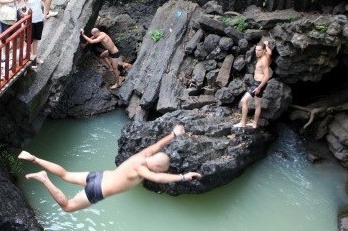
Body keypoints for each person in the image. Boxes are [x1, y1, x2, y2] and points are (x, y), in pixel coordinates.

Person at [19, 125, 201, 212]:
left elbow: (158, 145)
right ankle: (43, 178)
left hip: (98, 176)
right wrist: (183, 177)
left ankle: (35, 159)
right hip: (98, 189)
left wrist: (174, 134)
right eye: (161, 170)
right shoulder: (141, 169)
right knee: (67, 206)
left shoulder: (143, 155)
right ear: (158, 169)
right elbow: (159, 179)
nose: (160, 173)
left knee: (65, 174)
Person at [233, 40, 273, 129]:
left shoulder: (264, 61)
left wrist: (259, 88)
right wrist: (266, 45)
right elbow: (270, 53)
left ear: (263, 51)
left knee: (244, 101)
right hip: (257, 83)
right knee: (257, 104)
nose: (257, 52)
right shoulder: (267, 54)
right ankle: (254, 124)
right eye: (256, 50)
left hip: (258, 84)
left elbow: (267, 76)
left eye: (259, 50)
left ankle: (243, 123)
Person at [18, 0, 45, 69]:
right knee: (28, 40)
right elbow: (17, 1)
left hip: (39, 19)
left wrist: (45, 14)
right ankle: (27, 57)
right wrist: (23, 13)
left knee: (36, 39)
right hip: (30, 21)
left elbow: (44, 2)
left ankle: (35, 56)